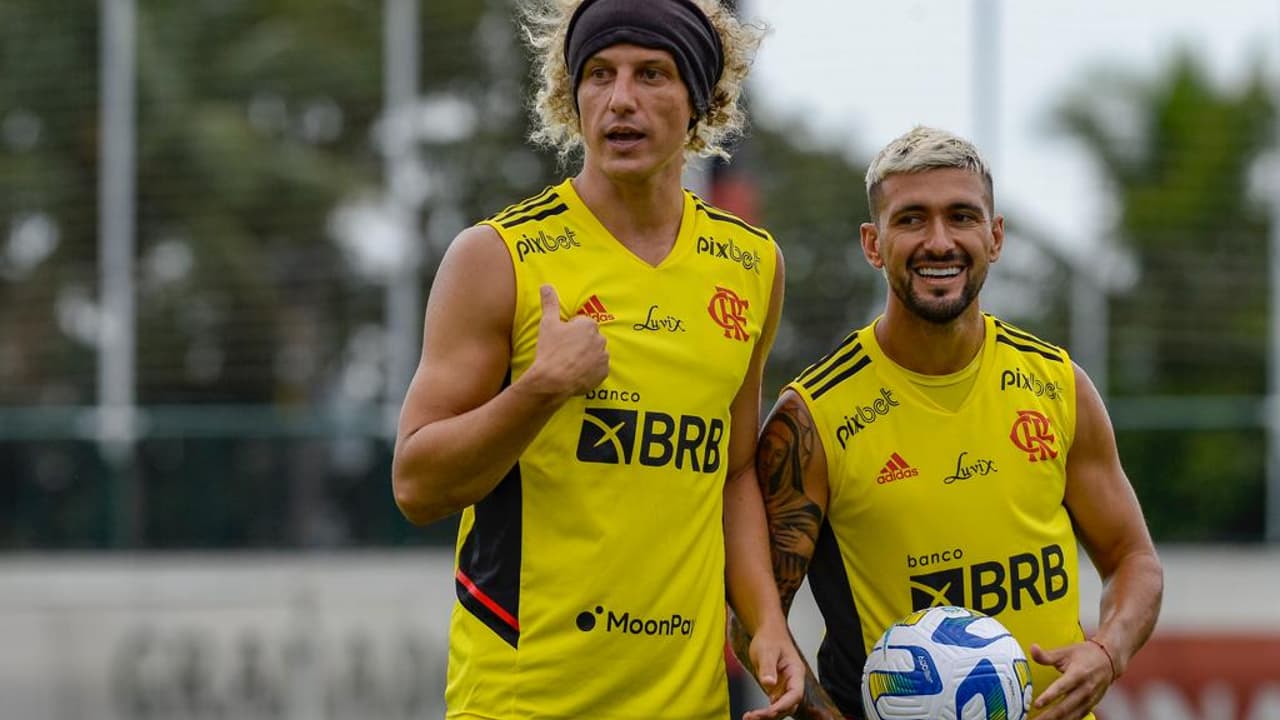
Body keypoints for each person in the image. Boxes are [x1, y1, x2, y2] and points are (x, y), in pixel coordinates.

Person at [390, 1, 804, 718]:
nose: (621, 100)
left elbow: (733, 469)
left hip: (691, 702)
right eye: (600, 75)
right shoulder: (497, 259)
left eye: (652, 74)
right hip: (525, 701)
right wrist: (539, 391)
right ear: (570, 95)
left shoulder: (752, 264)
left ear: (702, 101)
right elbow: (416, 484)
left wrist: (765, 620)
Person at [730, 126, 1164, 720]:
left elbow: (1134, 561)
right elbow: (754, 623)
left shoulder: (1058, 386)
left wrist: (1108, 652)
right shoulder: (813, 419)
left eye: (962, 216)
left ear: (995, 236)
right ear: (873, 243)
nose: (940, 241)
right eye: (911, 219)